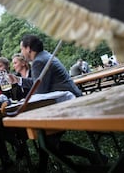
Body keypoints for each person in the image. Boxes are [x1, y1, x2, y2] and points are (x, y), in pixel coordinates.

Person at [10, 35, 107, 167]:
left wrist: (22, 101)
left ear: (28, 49)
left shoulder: (39, 62)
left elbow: (40, 91)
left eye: (22, 49)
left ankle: (88, 161)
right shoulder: (44, 57)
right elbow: (38, 83)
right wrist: (18, 80)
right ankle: (91, 158)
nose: (21, 52)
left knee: (47, 142)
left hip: (69, 103)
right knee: (46, 140)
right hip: (70, 98)